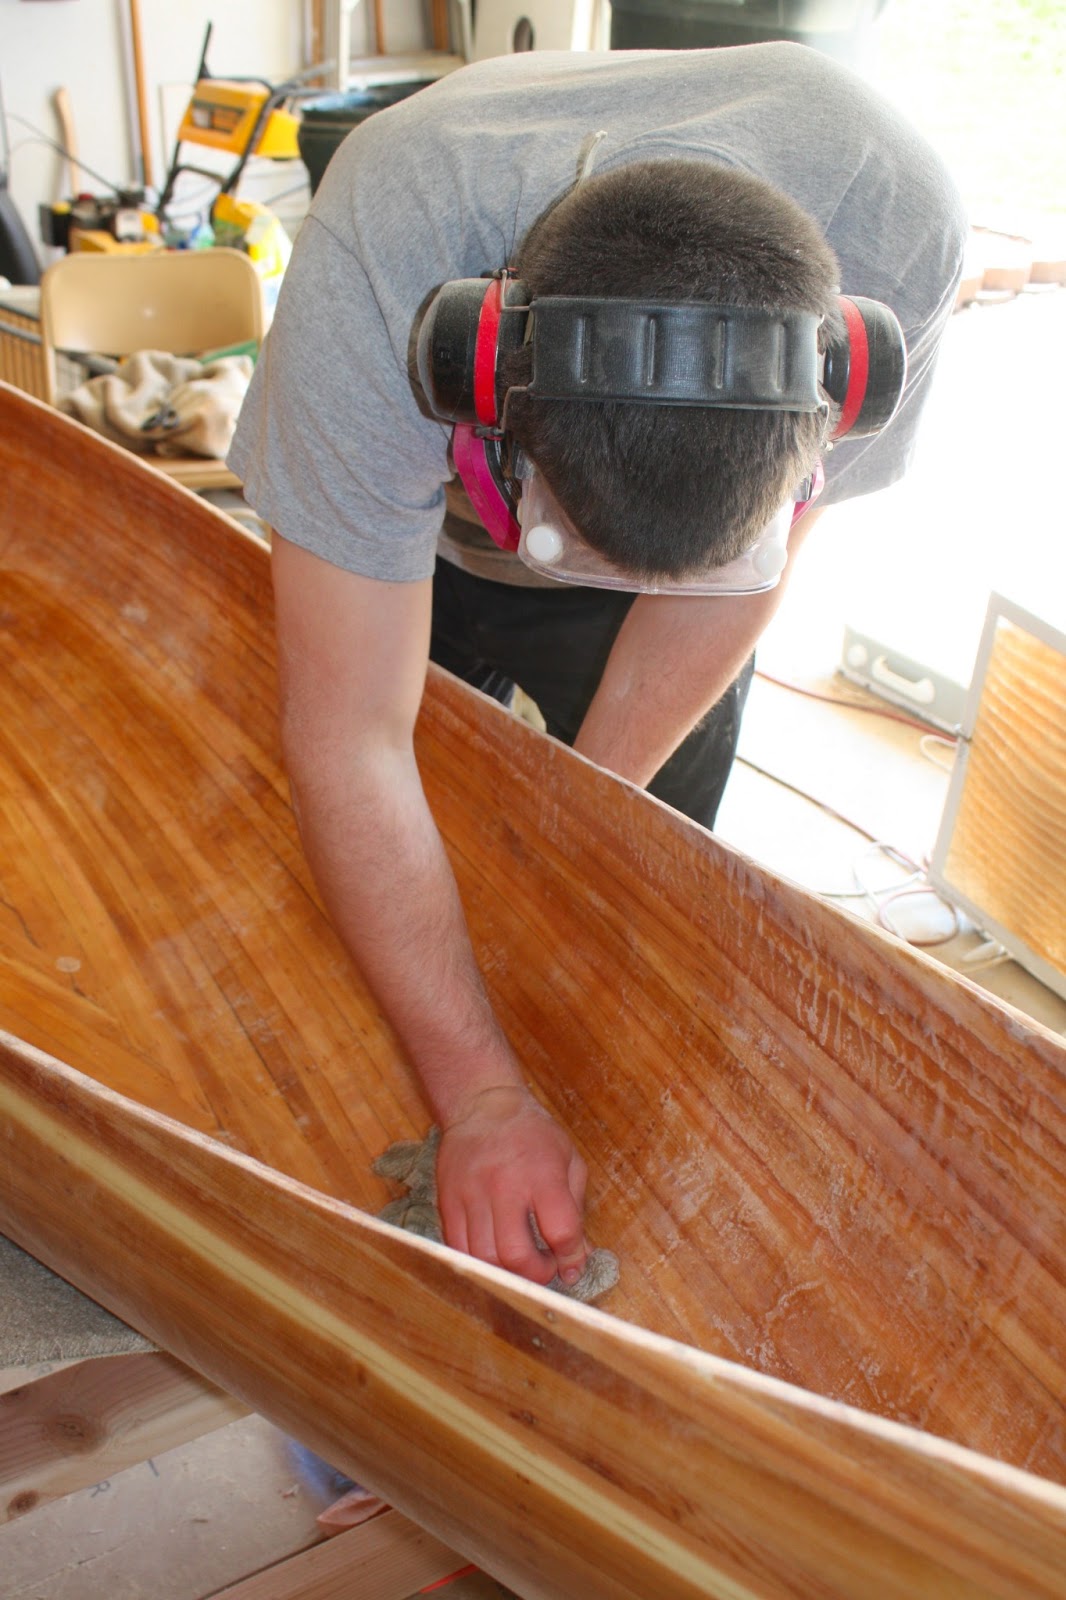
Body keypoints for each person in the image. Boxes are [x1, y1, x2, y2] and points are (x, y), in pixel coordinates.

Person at [228, 42, 966, 1289]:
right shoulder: (386, 250)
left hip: (692, 533)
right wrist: (477, 1098)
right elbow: (349, 733)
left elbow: (763, 563)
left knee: (622, 911)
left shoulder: (892, 224)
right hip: (443, 544)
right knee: (368, 862)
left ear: (842, 375)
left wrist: (577, 818)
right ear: (480, 378)